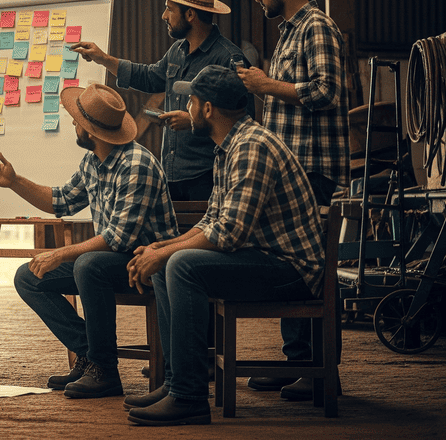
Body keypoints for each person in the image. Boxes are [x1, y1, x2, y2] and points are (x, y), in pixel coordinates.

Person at [123, 65, 324, 426]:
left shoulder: (251, 147)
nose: (187, 108)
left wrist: (166, 254)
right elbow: (212, 221)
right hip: (264, 257)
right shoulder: (229, 146)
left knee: (180, 265)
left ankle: (189, 398)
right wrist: (160, 248)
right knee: (166, 261)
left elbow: (229, 233)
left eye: (191, 101)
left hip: (292, 271)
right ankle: (175, 382)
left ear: (208, 109)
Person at [0, 84, 177, 399]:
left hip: (147, 266)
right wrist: (15, 182)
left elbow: (118, 239)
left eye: (78, 120)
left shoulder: (136, 164)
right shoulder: (92, 161)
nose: (73, 123)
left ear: (91, 131)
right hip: (113, 262)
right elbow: (60, 201)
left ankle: (105, 370)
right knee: (29, 277)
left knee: (89, 265)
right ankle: (88, 355)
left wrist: (61, 254)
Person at [235, 0, 350, 400]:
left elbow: (327, 90)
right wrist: (261, 85)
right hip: (293, 172)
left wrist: (266, 85)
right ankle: (299, 360)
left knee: (316, 268)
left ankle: (324, 371)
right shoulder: (289, 33)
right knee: (294, 262)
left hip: (314, 170)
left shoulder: (316, 26)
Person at [71, 0, 252, 203]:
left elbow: (243, 123)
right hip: (172, 175)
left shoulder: (228, 58)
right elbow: (150, 77)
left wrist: (193, 121)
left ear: (190, 14)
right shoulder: (177, 50)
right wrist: (104, 59)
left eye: (169, 9)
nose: (164, 16)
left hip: (209, 177)